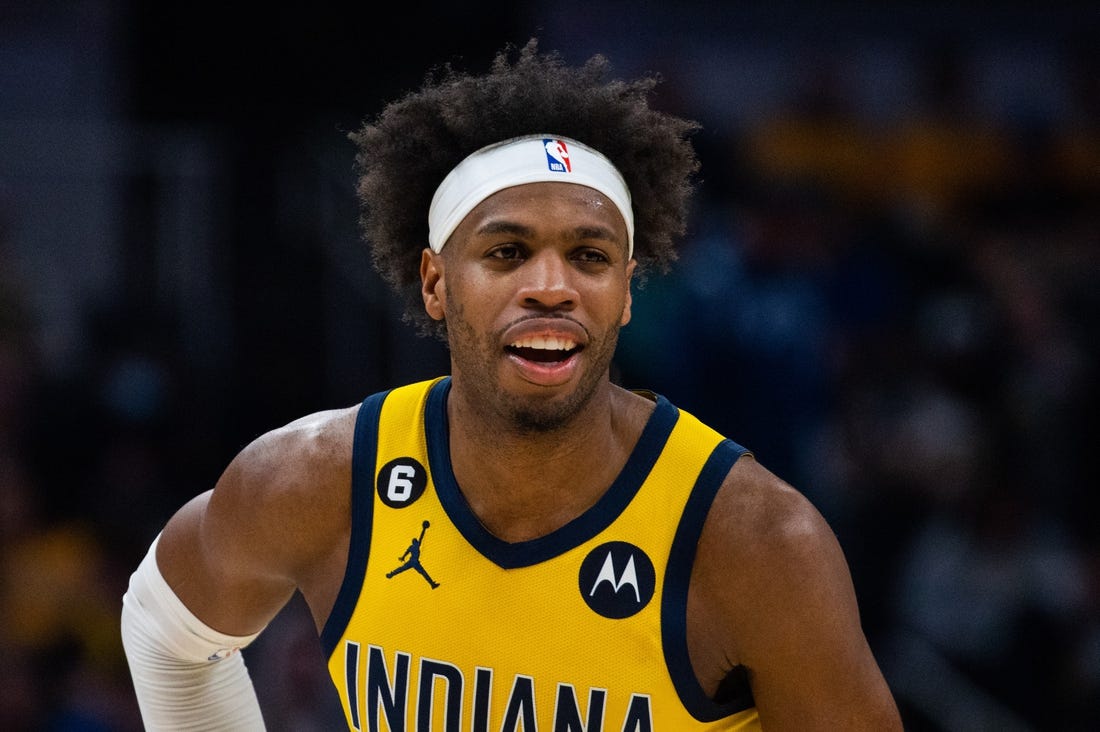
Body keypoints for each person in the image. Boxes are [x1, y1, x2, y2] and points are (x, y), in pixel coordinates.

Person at [120, 39, 903, 730]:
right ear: (434, 282)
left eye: (590, 257)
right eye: (506, 253)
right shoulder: (316, 479)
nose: (552, 286)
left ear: (628, 291)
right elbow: (164, 633)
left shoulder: (755, 544)